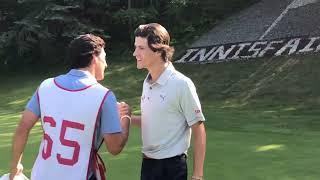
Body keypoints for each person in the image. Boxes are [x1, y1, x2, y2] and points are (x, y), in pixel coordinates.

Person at [9, 34, 131, 180]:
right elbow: (115, 147)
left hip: (42, 175)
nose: (106, 64)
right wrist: (126, 117)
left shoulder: (46, 86)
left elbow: (23, 128)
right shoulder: (104, 96)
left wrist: (15, 166)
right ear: (94, 58)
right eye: (104, 58)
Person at [131, 23, 206, 180]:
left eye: (141, 48)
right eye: (135, 47)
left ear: (158, 50)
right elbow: (153, 122)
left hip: (171, 168)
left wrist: (197, 175)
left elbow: (198, 130)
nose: (135, 53)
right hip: (148, 166)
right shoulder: (147, 83)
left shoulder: (181, 84)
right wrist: (127, 117)